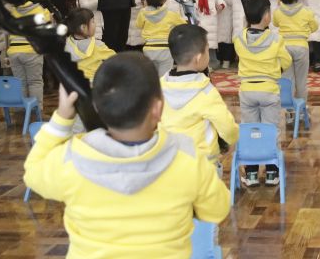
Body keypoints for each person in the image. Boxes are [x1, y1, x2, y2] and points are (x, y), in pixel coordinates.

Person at [23, 53, 230, 258]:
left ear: (96, 107)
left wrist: (62, 118)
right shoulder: (187, 157)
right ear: (158, 108)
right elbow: (217, 210)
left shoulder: (71, 159)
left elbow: (33, 172)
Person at [161, 25, 239, 175]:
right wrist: (232, 139)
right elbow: (227, 127)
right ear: (198, 58)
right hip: (203, 165)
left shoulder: (159, 87)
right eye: (207, 50)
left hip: (169, 163)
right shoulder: (206, 91)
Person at [233, 0, 292, 187]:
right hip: (269, 90)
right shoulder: (276, 39)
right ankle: (271, 173)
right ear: (266, 16)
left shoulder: (239, 39)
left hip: (247, 91)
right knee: (271, 130)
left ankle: (251, 174)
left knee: (250, 130)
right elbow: (286, 61)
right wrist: (276, 69)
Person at [6, 0, 52, 111]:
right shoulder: (40, 10)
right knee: (35, 82)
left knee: (20, 82)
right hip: (31, 50)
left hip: (13, 51)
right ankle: (36, 110)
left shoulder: (13, 10)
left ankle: (21, 110)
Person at [273, 0, 318, 101]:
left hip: (284, 48)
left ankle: (289, 109)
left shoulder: (278, 11)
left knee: (287, 80)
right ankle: (301, 109)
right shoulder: (306, 11)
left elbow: (275, 23)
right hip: (301, 47)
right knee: (301, 81)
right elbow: (314, 27)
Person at [136, 0, 188, 76]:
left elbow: (138, 25)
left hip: (148, 49)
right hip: (165, 50)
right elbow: (184, 26)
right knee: (164, 79)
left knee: (152, 78)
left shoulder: (143, 13)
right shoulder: (171, 14)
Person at [184, 0, 225, 72]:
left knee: (210, 40)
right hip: (197, 17)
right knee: (198, 41)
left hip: (211, 17)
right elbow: (186, 0)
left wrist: (221, 5)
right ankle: (198, 63)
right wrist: (190, 11)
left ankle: (212, 62)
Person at [64, 8, 114, 83]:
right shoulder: (97, 46)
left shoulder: (66, 43)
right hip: (96, 83)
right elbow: (116, 59)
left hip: (75, 83)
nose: (95, 24)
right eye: (93, 21)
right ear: (83, 28)